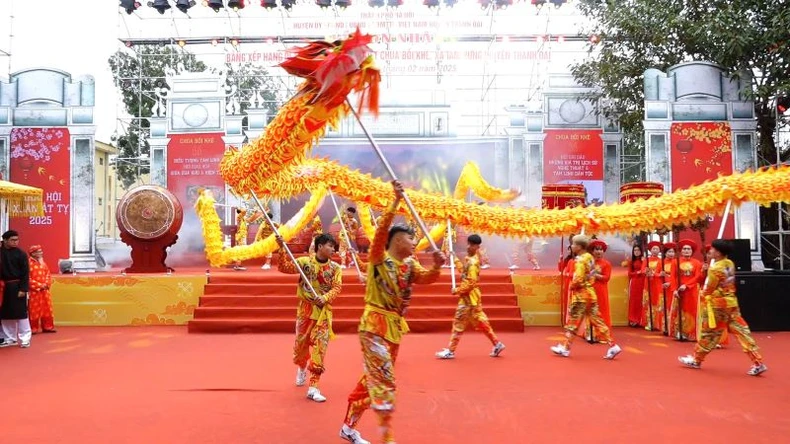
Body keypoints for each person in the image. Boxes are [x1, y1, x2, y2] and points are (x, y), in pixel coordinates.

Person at [340, 181, 445, 444]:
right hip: (374, 326)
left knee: (371, 380)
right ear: (398, 240)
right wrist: (395, 202)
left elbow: (428, 279)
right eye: (411, 238)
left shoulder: (410, 266)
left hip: (394, 329)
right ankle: (387, 438)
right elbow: (379, 234)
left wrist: (437, 266)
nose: (414, 243)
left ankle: (348, 428)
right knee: (385, 380)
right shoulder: (378, 258)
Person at [678, 239, 767, 376]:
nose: (710, 251)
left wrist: (702, 294)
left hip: (717, 305)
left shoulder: (715, 268)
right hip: (731, 303)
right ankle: (758, 362)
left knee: (709, 333)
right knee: (742, 331)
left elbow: (709, 288)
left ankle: (697, 359)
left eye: (712, 249)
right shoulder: (729, 263)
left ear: (718, 253)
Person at [276, 232, 342, 403]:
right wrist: (281, 248)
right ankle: (301, 367)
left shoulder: (335, 268)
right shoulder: (304, 263)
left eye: (334, 246)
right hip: (305, 311)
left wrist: (325, 298)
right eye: (330, 246)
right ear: (320, 246)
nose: (333, 249)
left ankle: (314, 386)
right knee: (301, 346)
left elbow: (337, 287)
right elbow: (284, 267)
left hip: (323, 313)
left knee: (320, 347)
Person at [550, 235, 621, 359]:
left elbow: (578, 279)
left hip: (581, 295)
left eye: (573, 244)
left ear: (579, 246)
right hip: (590, 293)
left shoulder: (581, 260)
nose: (571, 246)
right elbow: (592, 276)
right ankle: (613, 345)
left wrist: (572, 286)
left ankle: (566, 348)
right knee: (597, 321)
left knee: (573, 322)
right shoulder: (590, 258)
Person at [435, 234, 505, 359]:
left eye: (471, 245)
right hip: (473, 297)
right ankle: (497, 343)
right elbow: (464, 273)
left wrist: (457, 290)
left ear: (477, 246)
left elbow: (471, 283)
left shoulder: (473, 262)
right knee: (480, 320)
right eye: (468, 244)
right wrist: (455, 259)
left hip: (468, 297)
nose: (468, 247)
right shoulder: (471, 259)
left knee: (459, 322)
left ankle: (451, 351)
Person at [0, 230, 32, 348]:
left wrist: (23, 289)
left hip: (17, 285)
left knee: (21, 313)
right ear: (5, 240)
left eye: (17, 240)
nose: (15, 242)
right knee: (4, 313)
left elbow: (25, 273)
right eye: (12, 240)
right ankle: (9, 338)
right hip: (3, 286)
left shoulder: (21, 254)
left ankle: (25, 338)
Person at [670, 239, 702, 340]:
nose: (686, 250)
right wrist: (674, 289)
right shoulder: (675, 262)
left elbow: (697, 277)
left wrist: (687, 285)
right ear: (681, 251)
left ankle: (691, 333)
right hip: (679, 290)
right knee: (680, 310)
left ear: (692, 251)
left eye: (688, 249)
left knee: (692, 311)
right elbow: (673, 277)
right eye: (684, 249)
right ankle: (680, 331)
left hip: (691, 290)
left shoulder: (697, 263)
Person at [28, 245, 56, 334]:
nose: (41, 253)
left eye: (41, 251)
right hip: (34, 291)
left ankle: (48, 327)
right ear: (33, 253)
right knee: (33, 310)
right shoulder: (28, 263)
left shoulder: (43, 263)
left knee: (47, 309)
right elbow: (27, 278)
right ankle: (33, 328)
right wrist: (39, 285)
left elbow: (48, 274)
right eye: (39, 252)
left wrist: (46, 284)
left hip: (45, 290)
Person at [589, 239, 612, 342]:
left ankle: (601, 334)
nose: (598, 252)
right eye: (596, 249)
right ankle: (590, 333)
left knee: (601, 311)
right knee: (590, 311)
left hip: (601, 290)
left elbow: (606, 278)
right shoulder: (589, 262)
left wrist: (595, 275)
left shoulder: (606, 264)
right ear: (592, 251)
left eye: (600, 249)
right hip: (590, 289)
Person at [643, 241, 664, 331]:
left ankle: (657, 323)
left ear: (659, 250)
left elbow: (662, 273)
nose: (655, 250)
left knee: (657, 302)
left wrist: (654, 274)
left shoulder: (661, 261)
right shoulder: (646, 260)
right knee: (648, 302)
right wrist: (646, 272)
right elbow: (643, 269)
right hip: (648, 283)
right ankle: (649, 322)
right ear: (650, 250)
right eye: (653, 249)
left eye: (657, 249)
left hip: (657, 283)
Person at [626, 244, 646, 327]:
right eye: (635, 250)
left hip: (643, 282)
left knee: (642, 300)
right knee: (634, 301)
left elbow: (644, 271)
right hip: (634, 282)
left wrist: (644, 262)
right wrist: (637, 273)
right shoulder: (631, 261)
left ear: (641, 251)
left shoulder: (645, 260)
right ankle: (633, 319)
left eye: (638, 250)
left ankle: (641, 319)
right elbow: (629, 273)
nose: (636, 252)